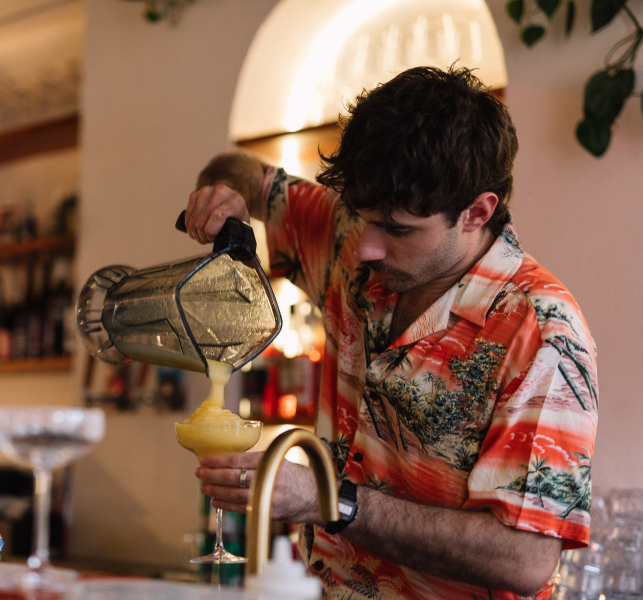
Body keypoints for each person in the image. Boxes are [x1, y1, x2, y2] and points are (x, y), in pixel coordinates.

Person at [182, 65, 598, 599]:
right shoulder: (352, 240)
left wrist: (331, 500)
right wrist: (224, 196)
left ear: (477, 212)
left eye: (397, 230)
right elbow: (239, 169)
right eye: (363, 218)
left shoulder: (539, 333)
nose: (366, 246)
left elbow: (526, 559)